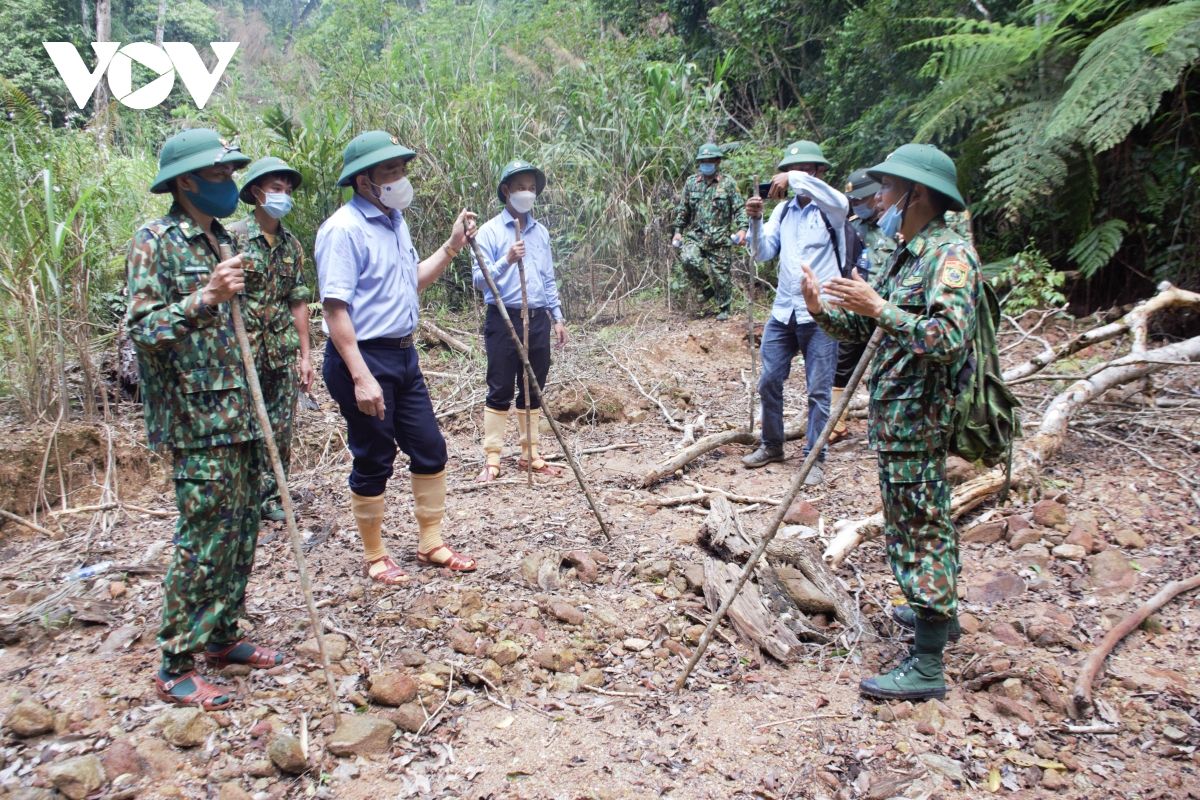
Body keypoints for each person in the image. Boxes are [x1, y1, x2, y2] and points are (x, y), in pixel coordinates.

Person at [800, 143, 980, 701]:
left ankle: (926, 666)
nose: (879, 199)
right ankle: (938, 618)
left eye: (888, 189)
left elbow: (947, 339)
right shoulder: (910, 252)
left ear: (916, 194)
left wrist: (879, 307)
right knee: (919, 522)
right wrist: (822, 310)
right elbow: (872, 334)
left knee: (918, 531)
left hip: (919, 420)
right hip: (899, 419)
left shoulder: (949, 257)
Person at [127, 129, 285, 710]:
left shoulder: (227, 237)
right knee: (203, 539)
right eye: (218, 177)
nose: (228, 186)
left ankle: (221, 638)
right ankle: (174, 664)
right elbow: (143, 330)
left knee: (242, 531)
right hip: (198, 422)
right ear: (186, 181)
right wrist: (206, 298)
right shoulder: (156, 242)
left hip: (243, 412)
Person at [316, 131, 478, 585]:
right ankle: (375, 555)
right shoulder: (343, 230)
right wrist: (361, 377)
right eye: (390, 171)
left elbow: (413, 281)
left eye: (402, 170)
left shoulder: (395, 221)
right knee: (375, 455)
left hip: (405, 356)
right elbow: (335, 310)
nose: (400, 179)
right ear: (363, 180)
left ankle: (430, 542)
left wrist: (450, 248)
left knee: (430, 447)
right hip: (363, 358)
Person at [741, 140, 846, 485]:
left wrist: (793, 176)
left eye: (802, 170)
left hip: (822, 313)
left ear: (816, 173)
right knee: (769, 380)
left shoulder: (831, 208)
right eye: (790, 170)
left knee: (818, 389)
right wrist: (755, 222)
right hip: (784, 310)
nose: (790, 179)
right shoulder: (782, 212)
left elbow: (839, 201)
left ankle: (815, 457)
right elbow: (762, 253)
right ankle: (772, 444)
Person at [471, 159, 568, 483]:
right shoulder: (488, 231)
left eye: (531, 188)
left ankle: (531, 453)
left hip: (538, 316)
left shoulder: (540, 233)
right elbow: (480, 280)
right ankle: (493, 457)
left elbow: (548, 278)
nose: (526, 193)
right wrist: (507, 260)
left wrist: (557, 317)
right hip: (503, 317)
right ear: (506, 191)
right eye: (520, 187)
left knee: (533, 386)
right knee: (499, 386)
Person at [229, 157, 313, 522]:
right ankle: (241, 499)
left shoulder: (291, 246)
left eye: (287, 190)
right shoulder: (230, 238)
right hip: (239, 352)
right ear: (256, 193)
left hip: (279, 352)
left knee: (280, 428)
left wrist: (305, 356)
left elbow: (298, 301)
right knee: (242, 428)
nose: (283, 196)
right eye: (276, 189)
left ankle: (271, 497)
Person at [828, 168, 897, 443]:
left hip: (890, 311)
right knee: (842, 365)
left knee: (887, 368)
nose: (857, 205)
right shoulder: (855, 227)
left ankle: (889, 429)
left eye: (861, 200)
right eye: (853, 201)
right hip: (857, 310)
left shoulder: (898, 229)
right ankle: (837, 423)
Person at [671, 142, 748, 320]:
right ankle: (706, 288)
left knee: (722, 277)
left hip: (719, 238)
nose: (707, 163)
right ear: (699, 163)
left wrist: (743, 229)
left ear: (718, 161)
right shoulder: (691, 183)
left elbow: (739, 209)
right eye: (703, 161)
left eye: (710, 160)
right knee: (688, 258)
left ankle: (724, 308)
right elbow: (684, 209)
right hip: (696, 235)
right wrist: (678, 230)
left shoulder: (728, 184)